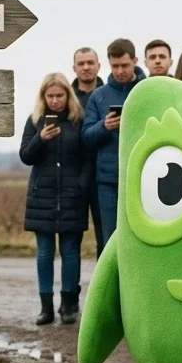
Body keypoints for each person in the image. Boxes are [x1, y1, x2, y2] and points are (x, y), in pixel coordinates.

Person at [20, 74, 86, 326]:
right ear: (43, 97)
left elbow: (87, 157)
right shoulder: (34, 121)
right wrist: (41, 138)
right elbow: (25, 156)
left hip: (72, 197)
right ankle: (45, 308)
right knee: (45, 254)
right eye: (50, 96)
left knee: (70, 253)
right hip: (42, 198)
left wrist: (81, 184)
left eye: (60, 95)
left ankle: (68, 306)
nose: (55, 100)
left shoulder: (78, 121)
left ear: (68, 95)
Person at [82, 39, 147, 242]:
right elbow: (86, 136)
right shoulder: (98, 96)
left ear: (135, 61)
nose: (120, 71)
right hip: (109, 181)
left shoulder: (147, 91)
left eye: (125, 65)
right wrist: (104, 126)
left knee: (142, 237)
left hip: (143, 176)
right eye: (115, 66)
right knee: (110, 239)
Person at [71, 47, 105, 254]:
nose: (86, 67)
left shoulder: (107, 94)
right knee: (72, 237)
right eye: (81, 64)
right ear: (74, 68)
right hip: (74, 175)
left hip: (102, 173)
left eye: (90, 63)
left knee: (105, 235)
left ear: (98, 66)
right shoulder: (66, 98)